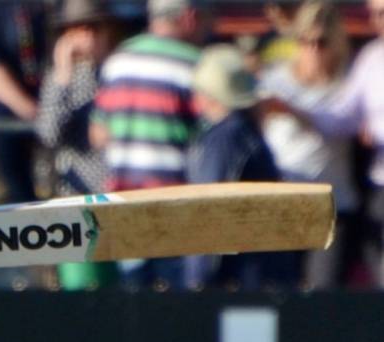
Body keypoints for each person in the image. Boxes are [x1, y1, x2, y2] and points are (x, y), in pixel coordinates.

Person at [91, 0, 211, 289]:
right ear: (190, 17)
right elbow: (210, 135)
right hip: (175, 206)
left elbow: (98, 134)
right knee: (177, 300)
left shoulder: (118, 60)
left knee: (134, 298)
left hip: (124, 200)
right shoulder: (194, 64)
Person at [277, 0, 384, 288]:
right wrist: (298, 113)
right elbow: (343, 117)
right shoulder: (373, 59)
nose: (378, 22)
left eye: (321, 42)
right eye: (374, 14)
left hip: (336, 204)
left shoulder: (351, 72)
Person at [258, 0, 360, 289]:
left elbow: (342, 125)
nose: (312, 49)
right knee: (279, 289)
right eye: (305, 41)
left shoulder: (347, 83)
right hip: (282, 202)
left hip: (331, 205)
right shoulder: (275, 80)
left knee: (322, 290)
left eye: (321, 42)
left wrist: (297, 113)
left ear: (336, 43)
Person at [35, 0, 134, 289]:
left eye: (95, 28)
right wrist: (63, 74)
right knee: (81, 291)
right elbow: (48, 134)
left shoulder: (122, 74)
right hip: (77, 204)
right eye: (78, 29)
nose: (88, 37)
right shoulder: (60, 80)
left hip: (123, 198)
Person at [187, 45, 291, 288]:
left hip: (236, 279)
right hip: (260, 271)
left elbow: (208, 210)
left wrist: (197, 280)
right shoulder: (246, 133)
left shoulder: (224, 139)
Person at [0, 0, 49, 205]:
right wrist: (30, 109)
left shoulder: (52, 7)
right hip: (10, 106)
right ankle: (23, 201)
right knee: (2, 120)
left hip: (53, 102)